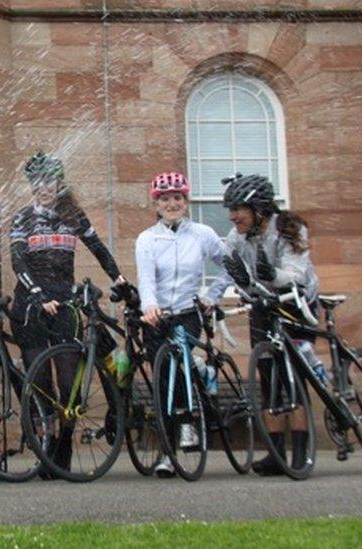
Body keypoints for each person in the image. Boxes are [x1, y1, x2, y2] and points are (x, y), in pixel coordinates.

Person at [9, 151, 127, 474]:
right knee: (42, 381)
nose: (43, 187)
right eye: (37, 182)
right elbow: (17, 261)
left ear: (59, 183)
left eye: (49, 181)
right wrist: (37, 293)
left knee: (69, 384)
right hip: (31, 308)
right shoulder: (22, 218)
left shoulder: (73, 217)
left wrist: (119, 278)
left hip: (64, 308)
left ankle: (62, 453)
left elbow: (98, 248)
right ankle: (45, 449)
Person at [209, 173, 320, 476]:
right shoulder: (236, 237)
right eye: (230, 210)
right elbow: (229, 275)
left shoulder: (289, 228)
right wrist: (225, 292)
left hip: (297, 304)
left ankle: (301, 454)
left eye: (237, 210)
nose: (232, 217)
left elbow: (296, 274)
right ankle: (274, 453)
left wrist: (271, 273)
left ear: (258, 209)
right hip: (264, 305)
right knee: (269, 379)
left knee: (292, 379)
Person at [134, 171, 228, 478]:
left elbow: (230, 264)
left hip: (187, 313)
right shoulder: (147, 239)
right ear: (156, 204)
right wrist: (149, 307)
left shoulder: (202, 234)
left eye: (177, 198)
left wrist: (212, 295)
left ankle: (190, 418)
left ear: (186, 202)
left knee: (182, 367)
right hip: (157, 317)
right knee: (163, 382)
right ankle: (166, 452)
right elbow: (146, 278)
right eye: (165, 199)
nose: (172, 203)